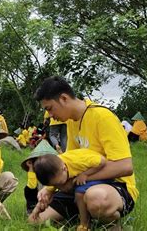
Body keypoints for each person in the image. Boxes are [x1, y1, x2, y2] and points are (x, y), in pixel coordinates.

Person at [31, 76, 138, 228]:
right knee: (36, 221)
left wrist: (83, 178)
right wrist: (49, 189)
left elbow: (125, 167)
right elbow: (67, 163)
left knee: (96, 199)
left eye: (49, 108)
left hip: (116, 186)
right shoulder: (71, 122)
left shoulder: (103, 117)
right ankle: (82, 216)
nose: (50, 115)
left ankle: (112, 223)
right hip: (80, 187)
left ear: (63, 98)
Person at [31, 149, 112, 231]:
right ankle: (78, 214)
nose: (60, 187)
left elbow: (102, 161)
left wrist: (85, 175)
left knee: (79, 193)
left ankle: (85, 224)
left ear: (64, 168)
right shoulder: (54, 170)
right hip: (84, 175)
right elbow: (54, 184)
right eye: (55, 185)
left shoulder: (78, 162)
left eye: (60, 183)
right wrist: (39, 206)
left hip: (101, 173)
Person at [20, 140, 58, 215]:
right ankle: (32, 209)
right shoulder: (35, 174)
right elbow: (31, 186)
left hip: (52, 200)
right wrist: (31, 168)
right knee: (28, 190)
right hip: (37, 201)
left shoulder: (55, 175)